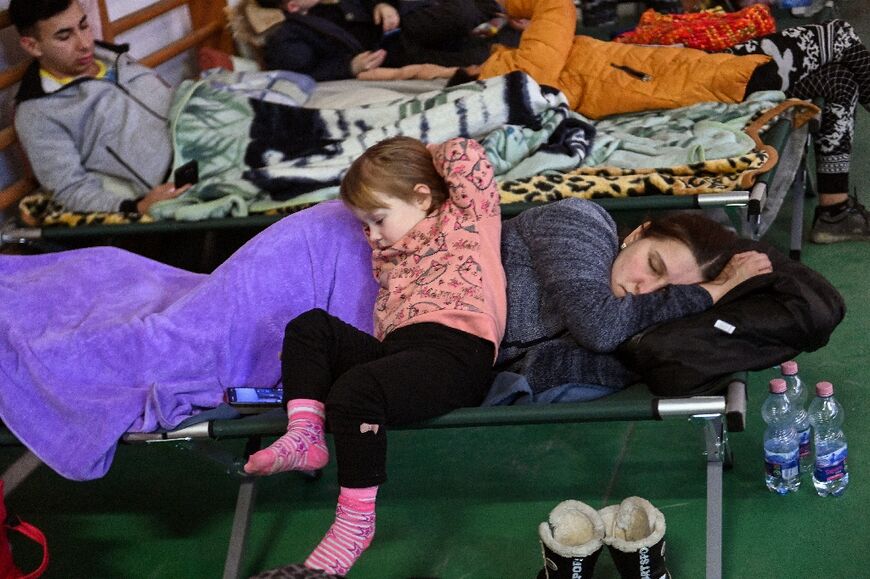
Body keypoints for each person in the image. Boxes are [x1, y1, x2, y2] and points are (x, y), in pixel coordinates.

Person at [242, 136, 507, 576]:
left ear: (422, 197)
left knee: (355, 392)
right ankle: (305, 434)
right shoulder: (388, 251)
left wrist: (403, 160)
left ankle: (355, 522)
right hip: (400, 352)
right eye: (365, 224)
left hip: (458, 350)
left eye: (379, 219)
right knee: (309, 326)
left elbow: (467, 155)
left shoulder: (467, 218)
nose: (373, 233)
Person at [461, 0, 870, 244]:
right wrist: (504, 5)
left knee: (838, 79)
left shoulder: (518, 63)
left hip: (689, 71)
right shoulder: (522, 69)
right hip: (698, 81)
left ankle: (835, 212)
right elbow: (556, 5)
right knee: (835, 34)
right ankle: (835, 214)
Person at [495, 198, 773, 395]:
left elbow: (535, 372)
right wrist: (713, 290)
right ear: (638, 234)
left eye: (667, 292)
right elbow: (599, 328)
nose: (646, 289)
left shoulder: (627, 318)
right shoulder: (578, 220)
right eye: (653, 265)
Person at [9, 0, 189, 215]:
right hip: (182, 182)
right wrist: (135, 207)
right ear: (32, 46)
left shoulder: (114, 58)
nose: (85, 43)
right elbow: (71, 189)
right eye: (64, 36)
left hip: (210, 138)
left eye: (84, 26)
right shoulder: (39, 113)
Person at [251, 0, 519, 80]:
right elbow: (301, 71)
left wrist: (383, 4)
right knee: (479, 58)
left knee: (462, 13)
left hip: (405, 22)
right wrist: (350, 66)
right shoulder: (289, 35)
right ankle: (515, 35)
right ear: (294, 6)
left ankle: (513, 11)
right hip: (393, 51)